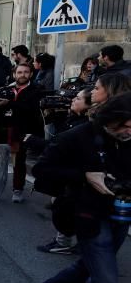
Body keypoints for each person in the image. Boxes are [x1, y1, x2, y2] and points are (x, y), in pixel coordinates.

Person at [29, 93, 131, 283]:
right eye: (124, 125)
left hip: (121, 213)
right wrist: (84, 176)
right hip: (88, 214)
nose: (128, 131)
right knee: (106, 279)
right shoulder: (77, 136)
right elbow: (42, 169)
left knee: (92, 265)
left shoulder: (128, 139)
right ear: (110, 120)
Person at [32, 87, 93, 255]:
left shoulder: (84, 127)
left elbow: (59, 144)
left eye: (78, 98)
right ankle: (70, 242)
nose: (73, 100)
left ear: (89, 106)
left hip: (74, 177)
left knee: (67, 209)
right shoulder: (71, 118)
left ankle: (66, 242)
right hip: (68, 175)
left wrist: (35, 141)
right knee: (63, 207)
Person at [0, 63, 44, 203]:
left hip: (19, 131)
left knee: (18, 163)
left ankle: (17, 190)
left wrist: (8, 103)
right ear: (14, 74)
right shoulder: (7, 89)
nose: (22, 75)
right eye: (19, 72)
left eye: (26, 72)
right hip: (2, 130)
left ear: (31, 74)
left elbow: (31, 109)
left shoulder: (36, 90)